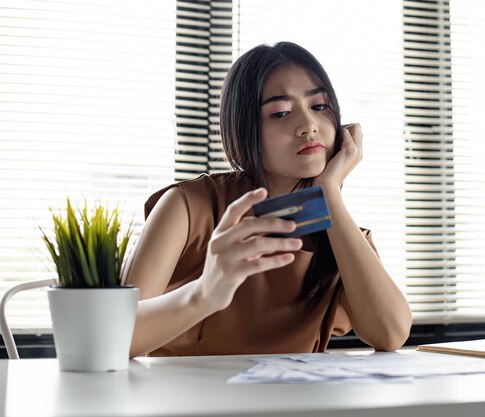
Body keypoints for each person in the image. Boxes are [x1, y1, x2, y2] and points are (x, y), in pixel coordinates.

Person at [122, 41, 412, 357]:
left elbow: (390, 333)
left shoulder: (338, 231)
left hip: (292, 403)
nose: (308, 126)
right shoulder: (187, 206)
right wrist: (206, 293)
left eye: (319, 106)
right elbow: (118, 336)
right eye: (280, 113)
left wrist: (328, 192)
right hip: (186, 402)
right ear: (244, 129)